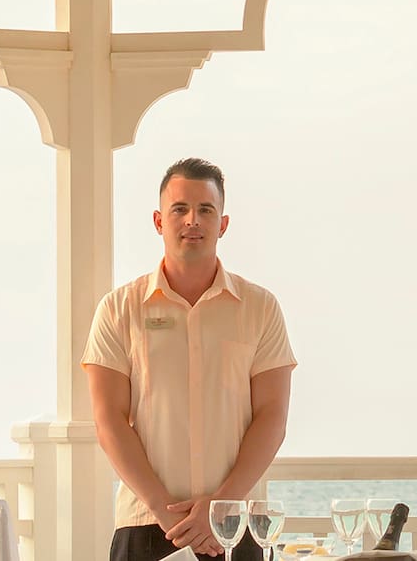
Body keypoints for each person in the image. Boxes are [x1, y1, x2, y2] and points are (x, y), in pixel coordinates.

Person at [85, 157, 296, 560]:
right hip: (145, 524)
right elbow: (109, 420)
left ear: (224, 223)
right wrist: (169, 514)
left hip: (237, 528)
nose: (192, 221)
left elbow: (272, 417)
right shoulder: (118, 309)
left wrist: (220, 509)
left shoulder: (261, 308)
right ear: (158, 221)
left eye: (205, 210)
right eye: (179, 209)